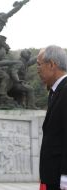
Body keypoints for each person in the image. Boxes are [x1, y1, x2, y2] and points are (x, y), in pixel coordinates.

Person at [37, 45, 67, 190]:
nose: (37, 69)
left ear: (52, 64)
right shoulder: (55, 91)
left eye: (39, 64)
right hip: (52, 175)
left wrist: (65, 174)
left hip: (60, 176)